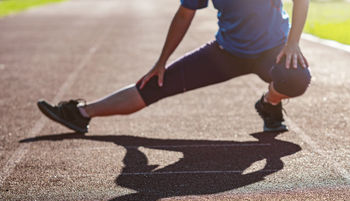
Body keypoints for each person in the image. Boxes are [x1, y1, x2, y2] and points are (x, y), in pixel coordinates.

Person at [37, 0, 311, 133]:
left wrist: (293, 43)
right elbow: (184, 15)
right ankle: (81, 113)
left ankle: (269, 103)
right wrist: (161, 62)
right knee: (155, 84)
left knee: (295, 77)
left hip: (273, 49)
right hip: (225, 53)